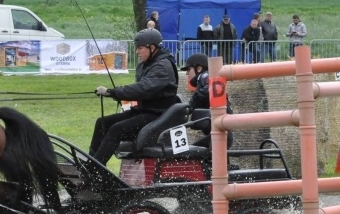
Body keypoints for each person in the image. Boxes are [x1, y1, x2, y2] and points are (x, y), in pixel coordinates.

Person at [90, 28, 180, 165]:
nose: (137, 51)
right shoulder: (147, 64)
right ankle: (90, 162)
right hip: (144, 111)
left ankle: (94, 169)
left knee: (116, 129)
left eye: (140, 48)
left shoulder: (163, 67)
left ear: (152, 48)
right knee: (102, 123)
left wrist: (112, 92)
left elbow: (142, 88)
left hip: (158, 116)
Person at [180, 53, 233, 148]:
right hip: (220, 134)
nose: (187, 73)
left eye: (189, 69)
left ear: (199, 68)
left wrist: (192, 102)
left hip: (220, 135)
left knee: (187, 154)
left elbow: (212, 87)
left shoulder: (205, 76)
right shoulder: (204, 79)